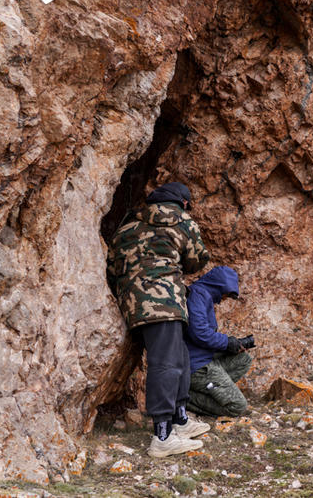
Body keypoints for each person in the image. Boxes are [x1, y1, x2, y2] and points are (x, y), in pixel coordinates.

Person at [106, 182, 211, 458]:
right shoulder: (182, 219)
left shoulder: (129, 224)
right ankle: (162, 437)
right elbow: (197, 259)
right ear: (184, 202)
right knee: (166, 365)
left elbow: (112, 265)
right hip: (165, 300)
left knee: (180, 359)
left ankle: (180, 420)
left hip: (133, 302)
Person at [184, 266, 254, 417]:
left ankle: (214, 391)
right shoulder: (197, 295)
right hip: (198, 367)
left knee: (244, 359)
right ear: (219, 286)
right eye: (226, 294)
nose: (223, 299)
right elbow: (199, 333)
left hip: (206, 359)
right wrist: (227, 343)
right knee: (238, 406)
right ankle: (183, 398)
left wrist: (232, 346)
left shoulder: (204, 297)